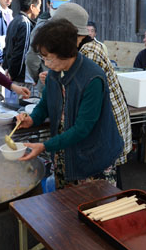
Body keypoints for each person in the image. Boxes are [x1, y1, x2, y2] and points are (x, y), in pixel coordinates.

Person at [16, 19, 123, 189]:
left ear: (65, 53)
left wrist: (45, 146)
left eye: (48, 58)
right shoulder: (54, 73)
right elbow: (45, 104)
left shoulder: (92, 78)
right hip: (64, 152)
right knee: (64, 209)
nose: (46, 63)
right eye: (43, 58)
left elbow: (82, 129)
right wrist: (32, 119)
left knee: (91, 208)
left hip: (92, 157)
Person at [50, 2, 132, 186]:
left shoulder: (89, 52)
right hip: (103, 117)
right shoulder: (81, 47)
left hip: (108, 120)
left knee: (105, 176)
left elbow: (77, 89)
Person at [25, 0, 71, 91]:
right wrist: (37, 77)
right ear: (48, 4)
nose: (59, 11)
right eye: (56, 7)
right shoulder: (41, 29)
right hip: (48, 83)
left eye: (63, 7)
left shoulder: (72, 25)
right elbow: (32, 58)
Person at [3, 0, 42, 98]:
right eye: (39, 6)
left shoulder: (15, 20)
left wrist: (7, 69)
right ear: (32, 7)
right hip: (21, 80)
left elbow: (6, 49)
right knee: (22, 111)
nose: (39, 10)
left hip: (11, 76)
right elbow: (21, 54)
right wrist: (13, 74)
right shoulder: (26, 24)